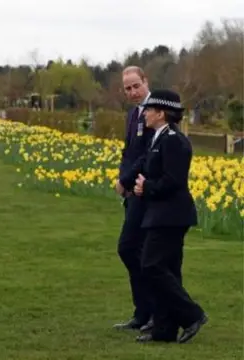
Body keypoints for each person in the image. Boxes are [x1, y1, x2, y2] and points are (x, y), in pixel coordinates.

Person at [121, 89, 208, 343]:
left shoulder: (174, 141)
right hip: (160, 214)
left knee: (151, 266)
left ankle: (192, 315)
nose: (144, 113)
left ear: (161, 113)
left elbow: (174, 180)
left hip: (171, 216)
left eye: (149, 109)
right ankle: (164, 330)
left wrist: (145, 187)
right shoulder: (157, 138)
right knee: (167, 269)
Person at [113, 66, 156, 333]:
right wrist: (121, 178)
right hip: (131, 193)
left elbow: (147, 156)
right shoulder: (133, 114)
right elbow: (129, 152)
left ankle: (153, 311)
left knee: (130, 249)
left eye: (135, 86)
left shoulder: (155, 113)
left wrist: (126, 180)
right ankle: (142, 313)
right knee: (135, 252)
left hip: (144, 192)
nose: (132, 92)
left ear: (145, 81)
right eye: (127, 88)